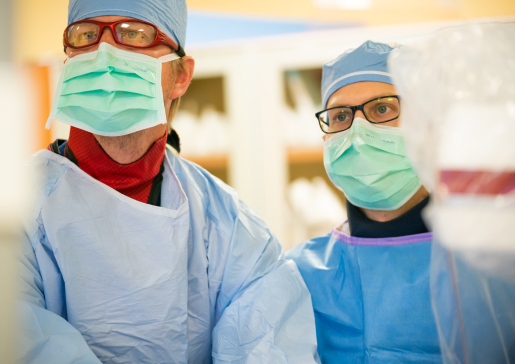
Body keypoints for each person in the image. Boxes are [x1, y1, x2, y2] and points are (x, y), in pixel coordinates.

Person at [16, 1, 319, 363]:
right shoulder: (16, 209)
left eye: (134, 34)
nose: (105, 53)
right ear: (68, 66)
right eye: (86, 35)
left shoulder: (229, 226)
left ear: (180, 76)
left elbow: (270, 347)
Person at [287, 41, 442, 363]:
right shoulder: (300, 273)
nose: (358, 131)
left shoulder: (484, 262)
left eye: (382, 109)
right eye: (341, 116)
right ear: (326, 138)